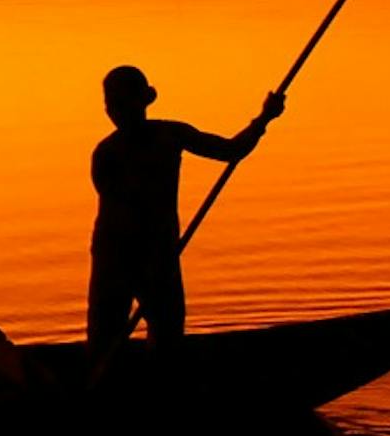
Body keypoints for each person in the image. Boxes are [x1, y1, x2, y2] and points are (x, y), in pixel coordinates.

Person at [87, 66, 282, 361]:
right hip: (116, 255)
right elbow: (121, 210)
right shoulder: (106, 154)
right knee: (104, 341)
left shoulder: (170, 134)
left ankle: (157, 384)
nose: (116, 111)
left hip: (158, 254)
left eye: (123, 102)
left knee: (167, 337)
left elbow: (231, 150)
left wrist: (264, 118)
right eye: (112, 104)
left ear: (143, 102)